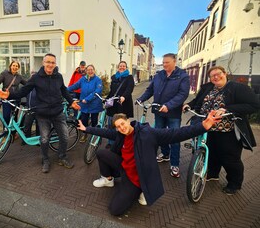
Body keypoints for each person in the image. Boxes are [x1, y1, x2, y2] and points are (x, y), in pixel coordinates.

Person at [77, 111, 222, 216]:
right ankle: (108, 180)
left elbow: (175, 133)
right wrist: (87, 129)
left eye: (122, 124)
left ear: (128, 121)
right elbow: (105, 132)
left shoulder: (148, 133)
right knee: (102, 152)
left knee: (115, 210)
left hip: (137, 177)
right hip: (124, 167)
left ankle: (142, 190)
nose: (121, 128)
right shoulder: (120, 134)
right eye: (117, 126)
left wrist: (203, 126)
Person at [183, 66, 260, 195]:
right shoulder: (208, 87)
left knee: (230, 158)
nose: (216, 77)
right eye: (212, 76)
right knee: (211, 153)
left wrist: (228, 109)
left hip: (227, 130)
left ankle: (234, 183)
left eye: (218, 74)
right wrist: (189, 105)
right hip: (208, 127)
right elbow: (198, 100)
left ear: (225, 74)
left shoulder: (238, 88)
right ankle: (213, 174)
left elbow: (254, 105)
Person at [0, 53, 76, 173]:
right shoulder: (36, 78)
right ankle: (45, 160)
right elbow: (23, 91)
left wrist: (71, 101)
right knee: (44, 139)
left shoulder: (59, 77)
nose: (50, 64)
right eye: (48, 62)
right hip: (42, 114)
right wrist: (9, 95)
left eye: (52, 62)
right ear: (43, 63)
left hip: (58, 113)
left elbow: (63, 90)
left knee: (65, 137)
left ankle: (62, 157)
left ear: (55, 64)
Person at [137, 53, 190, 178]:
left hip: (173, 113)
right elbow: (150, 90)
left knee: (174, 138)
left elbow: (183, 94)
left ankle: (175, 164)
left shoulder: (182, 76)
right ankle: (165, 154)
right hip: (158, 111)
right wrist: (141, 99)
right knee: (159, 135)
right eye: (164, 62)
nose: (165, 64)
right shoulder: (159, 75)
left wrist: (169, 105)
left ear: (174, 61)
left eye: (167, 62)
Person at [67, 64, 103, 142]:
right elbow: (75, 86)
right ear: (86, 71)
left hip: (94, 104)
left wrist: (87, 99)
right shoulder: (83, 79)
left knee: (94, 121)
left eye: (91, 69)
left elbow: (97, 91)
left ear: (94, 70)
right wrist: (64, 90)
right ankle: (85, 134)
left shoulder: (98, 80)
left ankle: (95, 136)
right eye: (88, 70)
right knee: (84, 120)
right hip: (84, 105)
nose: (90, 71)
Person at [0, 60, 27, 125]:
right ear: (10, 66)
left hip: (16, 99)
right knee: (6, 116)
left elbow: (26, 83)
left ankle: (13, 133)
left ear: (18, 68)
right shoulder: (4, 74)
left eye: (16, 66)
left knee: (14, 117)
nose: (15, 67)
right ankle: (6, 131)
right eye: (13, 65)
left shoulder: (19, 76)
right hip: (6, 98)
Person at [105, 61, 134, 148]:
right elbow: (112, 91)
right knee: (110, 124)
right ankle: (111, 142)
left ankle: (123, 142)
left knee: (123, 125)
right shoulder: (114, 77)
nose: (122, 67)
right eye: (120, 66)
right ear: (118, 67)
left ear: (126, 67)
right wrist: (106, 98)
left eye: (124, 66)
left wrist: (124, 97)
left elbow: (129, 89)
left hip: (123, 104)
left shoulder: (129, 77)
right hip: (113, 104)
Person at [21, 71, 39, 145]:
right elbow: (22, 93)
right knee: (27, 124)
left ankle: (38, 140)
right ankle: (26, 139)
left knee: (39, 126)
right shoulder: (28, 86)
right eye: (32, 76)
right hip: (29, 109)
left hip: (38, 109)